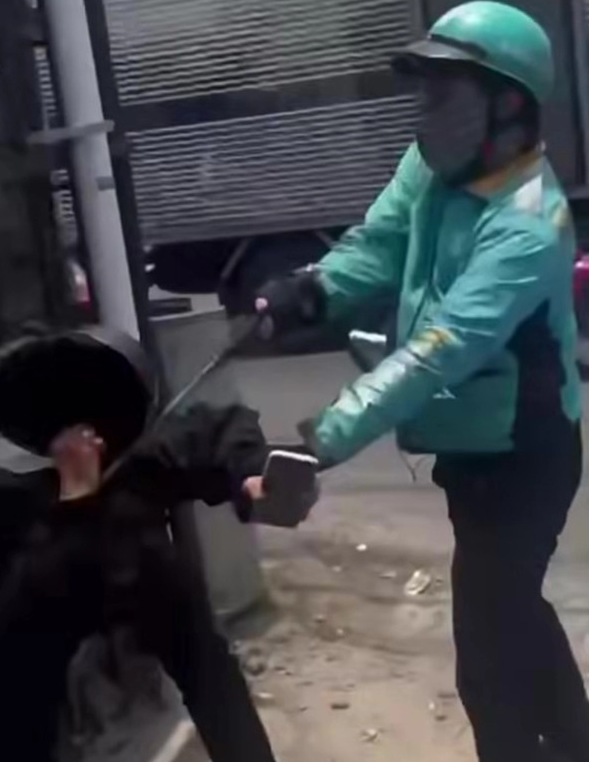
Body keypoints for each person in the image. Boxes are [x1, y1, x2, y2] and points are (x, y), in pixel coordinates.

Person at [255, 3, 589, 761]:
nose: (424, 112)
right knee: (517, 615)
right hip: (469, 453)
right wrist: (312, 291)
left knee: (488, 660)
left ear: (507, 105)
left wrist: (324, 438)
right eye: (424, 92)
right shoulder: (435, 166)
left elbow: (440, 350)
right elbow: (378, 244)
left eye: (446, 93)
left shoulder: (528, 226)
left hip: (524, 459)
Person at [0, 326, 278, 762]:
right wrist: (74, 501)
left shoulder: (141, 461)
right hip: (56, 592)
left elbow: (218, 429)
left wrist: (253, 473)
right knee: (22, 680)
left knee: (208, 669)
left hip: (143, 574)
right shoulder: (25, 494)